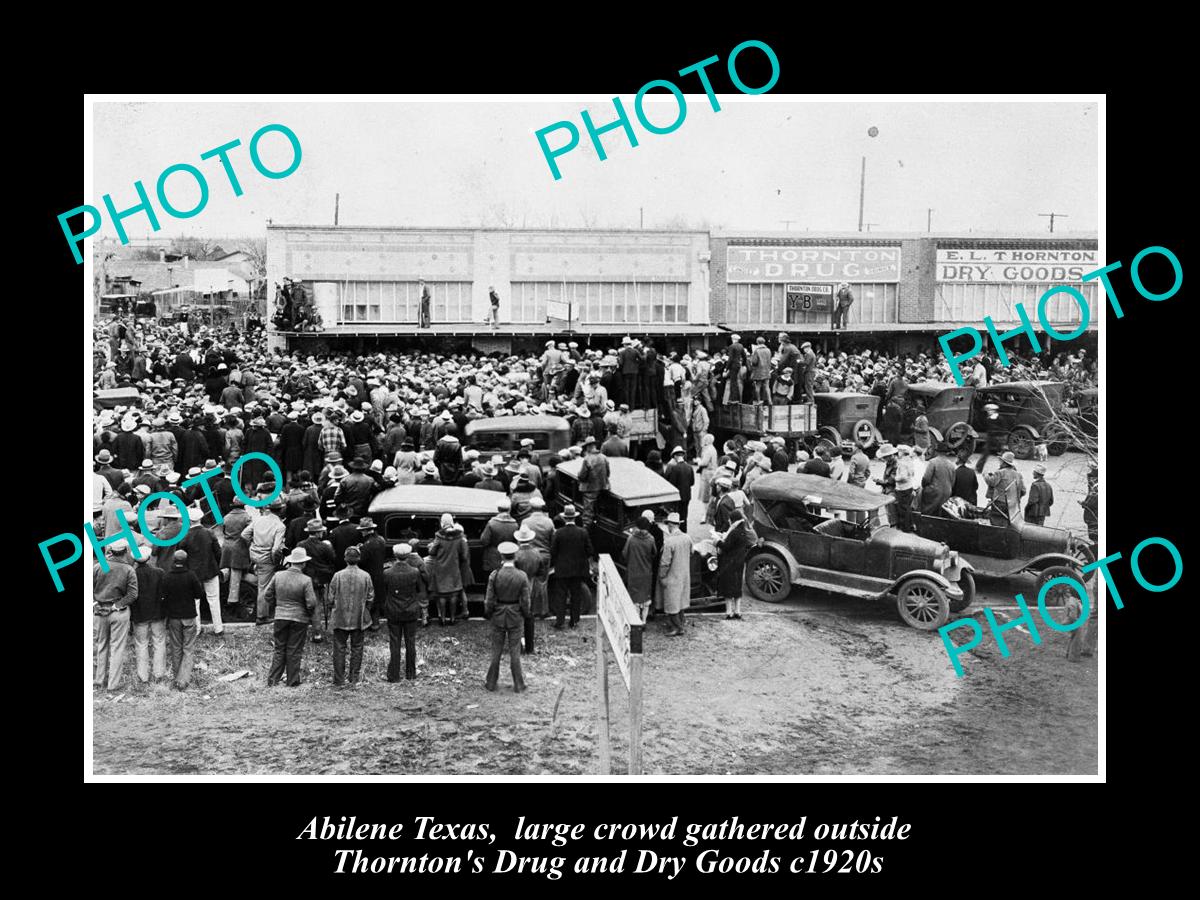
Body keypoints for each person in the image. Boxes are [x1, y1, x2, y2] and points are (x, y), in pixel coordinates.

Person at [263, 547, 317, 687]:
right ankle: (292, 680)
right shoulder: (306, 580)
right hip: (299, 618)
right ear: (303, 563)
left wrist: (278, 605)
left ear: (291, 562)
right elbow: (311, 603)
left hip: (280, 616)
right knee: (294, 649)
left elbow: (267, 595)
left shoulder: (278, 576)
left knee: (279, 648)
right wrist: (307, 613)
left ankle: (273, 680)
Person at [484, 542, 530, 693]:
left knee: (496, 651)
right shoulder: (522, 576)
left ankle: (491, 683)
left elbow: (489, 599)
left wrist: (489, 613)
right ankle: (518, 684)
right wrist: (525, 613)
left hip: (498, 615)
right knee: (515, 652)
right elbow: (525, 601)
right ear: (515, 556)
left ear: (502, 556)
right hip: (515, 616)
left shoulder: (494, 575)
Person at [93, 540, 139, 692]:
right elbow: (133, 594)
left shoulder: (98, 566)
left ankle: (98, 680)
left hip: (99, 612)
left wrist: (95, 603)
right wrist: (117, 605)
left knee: (101, 646)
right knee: (117, 648)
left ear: (110, 550)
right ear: (125, 551)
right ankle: (112, 685)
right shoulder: (128, 570)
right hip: (119, 613)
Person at [327, 546, 374, 686]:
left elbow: (330, 598)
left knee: (339, 648)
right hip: (358, 618)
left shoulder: (337, 576)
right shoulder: (366, 576)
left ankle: (338, 679)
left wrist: (333, 609)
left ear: (345, 559)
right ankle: (354, 678)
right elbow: (371, 597)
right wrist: (365, 610)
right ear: (359, 559)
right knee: (357, 647)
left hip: (340, 617)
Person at [162, 549, 205, 690]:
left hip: (174, 618)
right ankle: (183, 680)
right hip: (189, 616)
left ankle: (177, 678)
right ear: (186, 560)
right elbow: (199, 594)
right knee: (188, 648)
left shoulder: (167, 576)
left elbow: (164, 597)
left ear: (174, 561)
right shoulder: (191, 575)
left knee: (176, 648)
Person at [384, 543, 426, 681]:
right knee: (410, 642)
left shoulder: (387, 573)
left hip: (393, 610)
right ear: (407, 555)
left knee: (394, 642)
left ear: (395, 555)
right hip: (411, 610)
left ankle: (394, 675)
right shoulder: (415, 572)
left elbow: (384, 591)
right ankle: (411, 673)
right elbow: (420, 590)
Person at [242, 496, 286, 624]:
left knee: (261, 582)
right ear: (280, 510)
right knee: (264, 587)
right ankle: (261, 616)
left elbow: (244, 535)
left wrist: (253, 545)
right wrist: (275, 561)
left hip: (255, 555)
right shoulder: (280, 525)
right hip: (267, 558)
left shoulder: (258, 520)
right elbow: (276, 549)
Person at [181, 506, 223, 638]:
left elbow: (182, 554)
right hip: (210, 570)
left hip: (193, 573)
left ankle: (197, 629)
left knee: (195, 602)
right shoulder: (209, 533)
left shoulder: (186, 536)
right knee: (214, 599)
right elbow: (218, 552)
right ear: (200, 519)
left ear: (189, 520)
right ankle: (218, 628)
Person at [550, 504, 593, 629]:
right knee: (576, 594)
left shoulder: (558, 533)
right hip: (578, 569)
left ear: (564, 518)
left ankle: (560, 621)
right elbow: (590, 550)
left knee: (561, 595)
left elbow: (553, 551)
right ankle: (574, 621)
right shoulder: (583, 532)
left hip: (562, 569)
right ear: (574, 517)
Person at [426, 513, 472, 625]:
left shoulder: (439, 536)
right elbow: (464, 555)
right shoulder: (459, 536)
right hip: (454, 567)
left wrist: (431, 546)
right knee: (453, 594)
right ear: (452, 522)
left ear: (442, 523)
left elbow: (432, 552)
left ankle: (442, 619)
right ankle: (452, 618)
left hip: (441, 568)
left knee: (441, 594)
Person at [130, 546, 166, 683]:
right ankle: (158, 674)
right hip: (157, 613)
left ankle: (143, 676)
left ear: (134, 559)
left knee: (141, 644)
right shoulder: (159, 572)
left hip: (139, 615)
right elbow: (163, 593)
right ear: (149, 558)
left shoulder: (132, 573)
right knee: (159, 642)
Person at [299, 518, 337, 643]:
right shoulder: (324, 546)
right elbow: (333, 559)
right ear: (319, 532)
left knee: (310, 605)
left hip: (307, 578)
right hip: (323, 578)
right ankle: (320, 632)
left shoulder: (301, 545)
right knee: (323, 605)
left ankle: (314, 631)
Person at [714, 508, 756, 620]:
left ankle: (729, 612)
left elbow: (726, 547)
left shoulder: (734, 533)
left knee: (728, 587)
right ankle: (738, 611)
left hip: (729, 563)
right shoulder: (744, 531)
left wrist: (717, 541)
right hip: (739, 562)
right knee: (737, 586)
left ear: (733, 520)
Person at [512, 527, 547, 654]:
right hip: (532, 585)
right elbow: (542, 572)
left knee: (517, 616)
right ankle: (530, 646)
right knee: (529, 616)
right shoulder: (536, 553)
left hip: (517, 587)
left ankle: (518, 645)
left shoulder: (516, 554)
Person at [657, 512, 692, 636]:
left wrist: (662, 576)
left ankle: (677, 627)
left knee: (671, 603)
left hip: (672, 576)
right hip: (684, 575)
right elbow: (691, 553)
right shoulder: (687, 538)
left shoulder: (669, 542)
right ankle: (682, 621)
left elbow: (665, 563)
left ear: (671, 525)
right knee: (681, 601)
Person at [356, 517, 391, 631]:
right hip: (379, 572)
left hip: (369, 574)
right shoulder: (380, 540)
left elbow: (361, 561)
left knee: (369, 599)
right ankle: (376, 623)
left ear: (365, 530)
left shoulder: (367, 545)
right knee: (378, 599)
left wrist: (359, 550)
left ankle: (370, 622)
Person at [622, 514, 657, 623]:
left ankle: (636, 620)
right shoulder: (651, 539)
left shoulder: (631, 539)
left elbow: (624, 554)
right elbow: (654, 553)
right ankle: (644, 621)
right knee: (645, 600)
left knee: (635, 599)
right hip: (646, 572)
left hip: (634, 572)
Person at [983, 452, 1026, 527]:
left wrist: (985, 474)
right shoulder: (1018, 475)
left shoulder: (1000, 472)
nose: (1000, 463)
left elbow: (991, 482)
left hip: (1000, 503)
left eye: (1001, 461)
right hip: (1013, 505)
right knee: (1009, 523)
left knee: (997, 523)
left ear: (1004, 462)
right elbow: (1023, 491)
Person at [480, 496, 519, 577]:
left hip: (492, 557)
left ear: (498, 509)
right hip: (508, 556)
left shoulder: (492, 523)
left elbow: (484, 541)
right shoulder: (514, 524)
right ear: (509, 509)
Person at [577, 437, 610, 528]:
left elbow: (582, 476)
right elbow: (608, 473)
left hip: (590, 489)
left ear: (588, 447)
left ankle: (586, 529)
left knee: (587, 514)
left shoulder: (587, 459)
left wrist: (579, 475)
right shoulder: (604, 457)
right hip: (603, 487)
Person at [920, 444, 957, 515]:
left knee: (927, 511)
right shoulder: (951, 464)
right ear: (947, 453)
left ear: (936, 452)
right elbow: (952, 482)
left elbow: (926, 478)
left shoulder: (933, 462)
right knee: (941, 512)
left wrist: (924, 486)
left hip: (934, 492)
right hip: (947, 492)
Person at [663, 446, 695, 525]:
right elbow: (692, 482)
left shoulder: (675, 468)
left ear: (675, 456)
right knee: (684, 515)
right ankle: (684, 530)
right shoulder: (690, 467)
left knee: (677, 515)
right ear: (683, 456)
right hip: (687, 495)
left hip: (678, 496)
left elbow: (672, 483)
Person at [894, 445, 916, 532]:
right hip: (909, 486)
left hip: (902, 488)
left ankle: (905, 528)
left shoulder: (902, 463)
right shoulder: (910, 461)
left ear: (902, 452)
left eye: (899, 451)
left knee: (902, 509)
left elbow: (903, 477)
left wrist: (895, 478)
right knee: (907, 507)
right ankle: (909, 525)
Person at [723, 335, 747, 404]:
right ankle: (737, 398)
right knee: (736, 382)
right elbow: (744, 356)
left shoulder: (731, 346)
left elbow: (730, 359)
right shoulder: (741, 346)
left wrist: (726, 368)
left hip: (733, 365)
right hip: (738, 365)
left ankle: (734, 398)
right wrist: (743, 364)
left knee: (733, 382)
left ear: (733, 339)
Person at [749, 337, 772, 404]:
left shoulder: (757, 350)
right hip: (767, 370)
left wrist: (751, 357)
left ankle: (759, 401)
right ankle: (770, 400)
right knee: (767, 386)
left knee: (758, 386)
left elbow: (754, 362)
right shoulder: (768, 350)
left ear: (757, 342)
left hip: (758, 371)